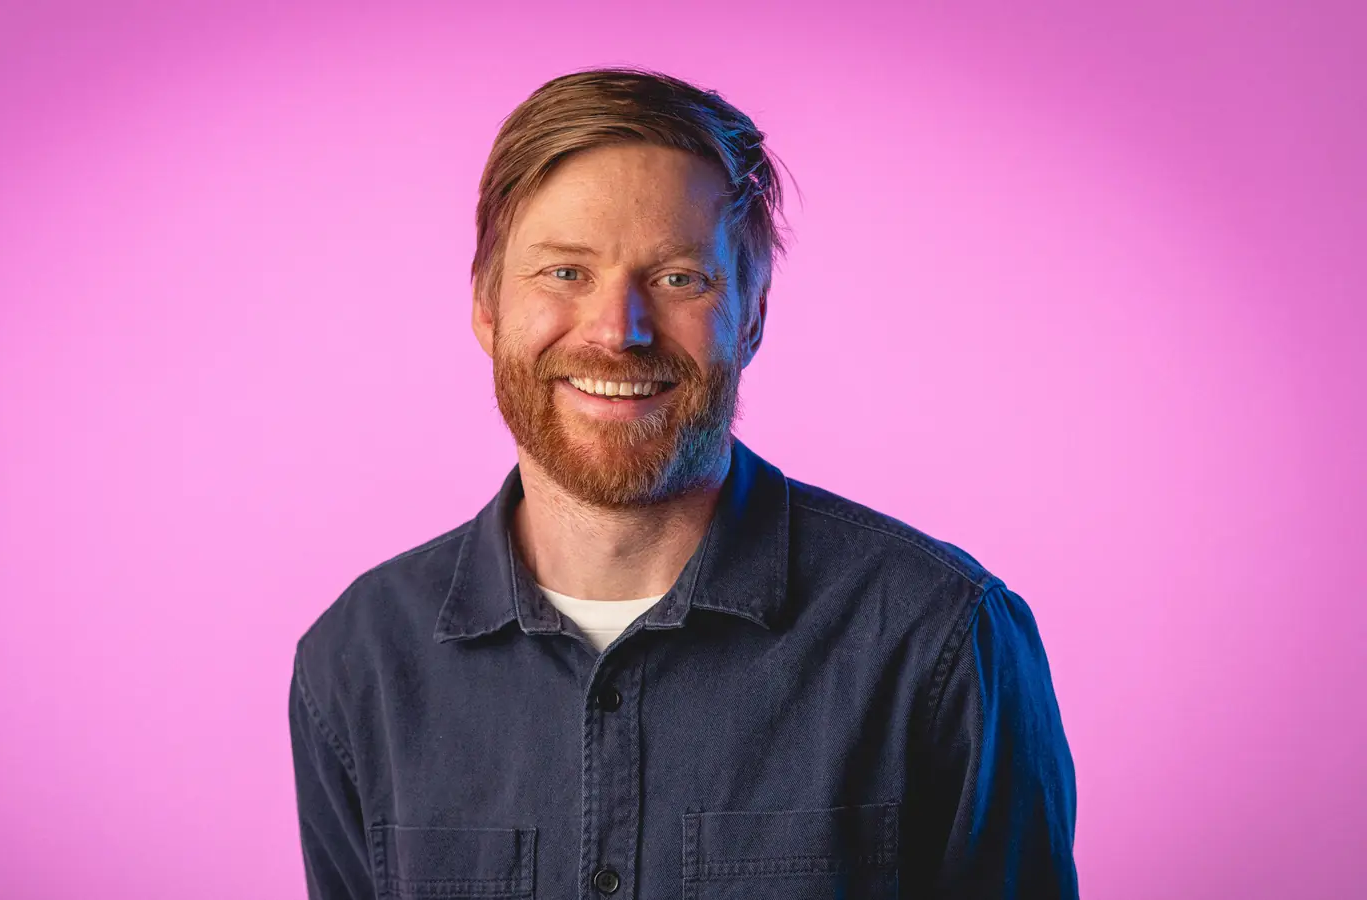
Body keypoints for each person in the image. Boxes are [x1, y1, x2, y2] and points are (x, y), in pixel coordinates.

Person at [288, 66, 1078, 899]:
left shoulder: (941, 637)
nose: (618, 332)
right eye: (565, 272)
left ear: (752, 316)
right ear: (487, 308)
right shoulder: (357, 661)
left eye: (678, 279)